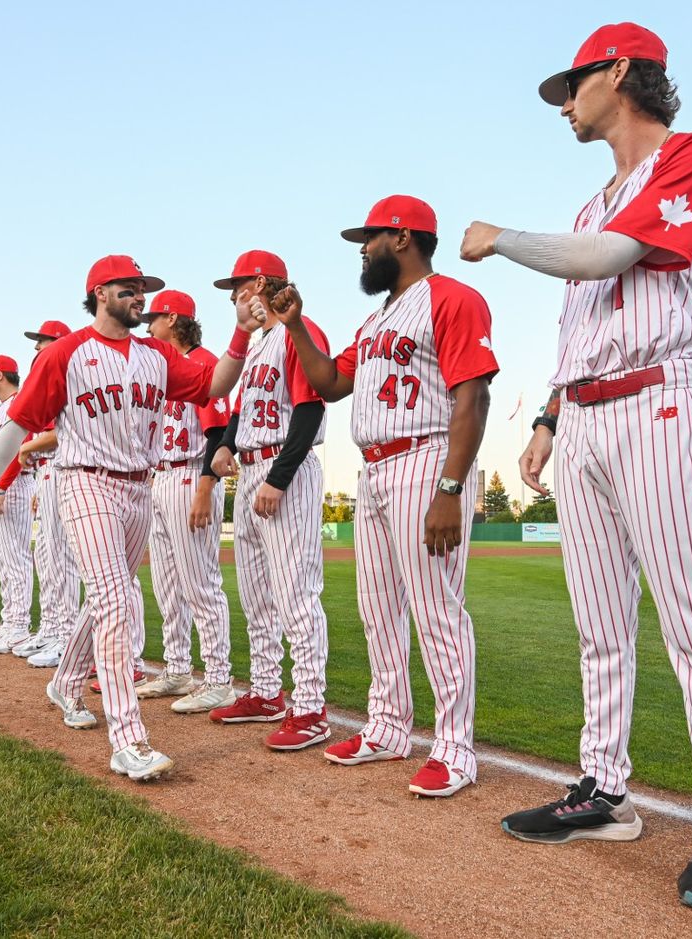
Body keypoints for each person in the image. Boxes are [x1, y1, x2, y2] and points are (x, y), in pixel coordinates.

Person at [459, 22, 692, 914]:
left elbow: (614, 258)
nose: (564, 105)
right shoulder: (592, 202)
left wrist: (501, 236)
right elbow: (581, 320)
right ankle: (602, 790)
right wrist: (550, 416)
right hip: (585, 416)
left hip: (661, 404)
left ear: (619, 72)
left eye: (572, 87)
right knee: (599, 625)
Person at [0, 254, 248, 782]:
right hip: (86, 480)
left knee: (105, 600)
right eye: (129, 287)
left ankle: (65, 681)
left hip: (140, 488)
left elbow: (213, 387)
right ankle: (129, 740)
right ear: (99, 291)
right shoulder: (67, 353)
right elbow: (17, 424)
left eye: (142, 288)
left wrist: (239, 335)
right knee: (117, 598)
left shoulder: (157, 354)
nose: (140, 295)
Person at [268, 195, 497, 796]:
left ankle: (454, 749)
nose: (362, 251)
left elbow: (473, 399)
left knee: (436, 609)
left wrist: (451, 487)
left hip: (425, 458)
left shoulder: (452, 298)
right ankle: (389, 727)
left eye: (368, 239)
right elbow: (329, 383)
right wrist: (293, 325)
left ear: (401, 237)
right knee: (379, 611)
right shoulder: (374, 323)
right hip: (372, 469)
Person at [206, 250, 331, 752]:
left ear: (259, 284)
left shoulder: (300, 331)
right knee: (257, 597)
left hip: (286, 469)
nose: (233, 298)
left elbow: (308, 408)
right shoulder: (259, 345)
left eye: (236, 288)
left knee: (297, 595)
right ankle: (265, 692)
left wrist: (278, 478)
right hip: (253, 468)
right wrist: (224, 446)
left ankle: (311, 708)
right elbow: (239, 411)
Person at [139, 289, 235, 714]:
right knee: (166, 583)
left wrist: (205, 487)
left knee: (200, 583)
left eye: (154, 319)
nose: (149, 326)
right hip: (161, 477)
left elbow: (217, 431)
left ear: (174, 319)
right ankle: (178, 669)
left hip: (191, 474)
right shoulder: (165, 367)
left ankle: (218, 678)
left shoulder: (206, 364)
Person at [12, 319, 80, 668]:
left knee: (61, 559)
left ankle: (66, 636)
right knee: (48, 558)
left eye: (42, 341)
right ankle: (53, 628)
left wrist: (28, 449)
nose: (36, 348)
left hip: (60, 467)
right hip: (46, 472)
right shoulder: (52, 381)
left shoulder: (68, 378)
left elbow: (58, 435)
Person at [0, 354, 38, 654]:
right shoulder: (0, 411)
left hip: (15, 484)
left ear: (0, 375)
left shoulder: (18, 404)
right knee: (3, 559)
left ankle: (19, 625)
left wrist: (0, 486)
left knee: (16, 559)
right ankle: (10, 621)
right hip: (2, 487)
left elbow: (18, 451)